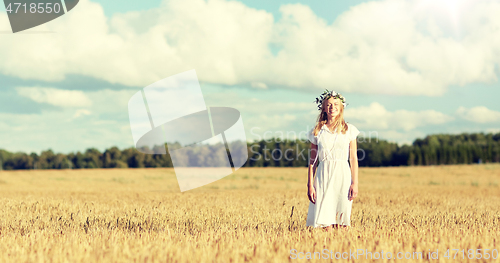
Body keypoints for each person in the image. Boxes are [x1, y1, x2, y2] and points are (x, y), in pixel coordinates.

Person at [306, 90, 359, 231]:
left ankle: (342, 250)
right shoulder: (317, 131)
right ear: (323, 108)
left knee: (342, 219)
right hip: (323, 175)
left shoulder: (349, 130)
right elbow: (312, 161)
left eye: (336, 104)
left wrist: (355, 183)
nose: (332, 107)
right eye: (328, 104)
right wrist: (310, 185)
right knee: (325, 221)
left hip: (343, 175)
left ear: (341, 107)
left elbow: (353, 159)